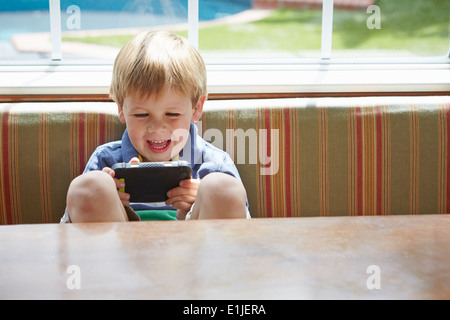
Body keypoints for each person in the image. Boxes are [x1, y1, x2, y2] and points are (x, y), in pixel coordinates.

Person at [61, 31, 250, 223]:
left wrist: (201, 201)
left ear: (196, 108)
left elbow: (246, 231)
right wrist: (106, 198)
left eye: (172, 114)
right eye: (142, 114)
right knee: (91, 186)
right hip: (119, 244)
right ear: (121, 109)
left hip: (196, 244)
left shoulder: (214, 164)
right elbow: (70, 226)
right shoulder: (106, 160)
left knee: (221, 188)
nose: (157, 127)